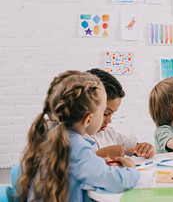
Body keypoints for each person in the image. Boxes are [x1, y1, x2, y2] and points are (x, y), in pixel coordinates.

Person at [16, 71, 139, 202]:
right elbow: (114, 181)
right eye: (104, 112)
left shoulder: (53, 137)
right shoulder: (77, 147)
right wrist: (131, 171)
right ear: (88, 119)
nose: (109, 119)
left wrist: (96, 162)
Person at [85, 69, 154, 159]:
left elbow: (133, 146)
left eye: (112, 114)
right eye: (105, 114)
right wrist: (100, 155)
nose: (109, 120)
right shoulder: (67, 137)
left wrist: (145, 149)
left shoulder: (109, 134)